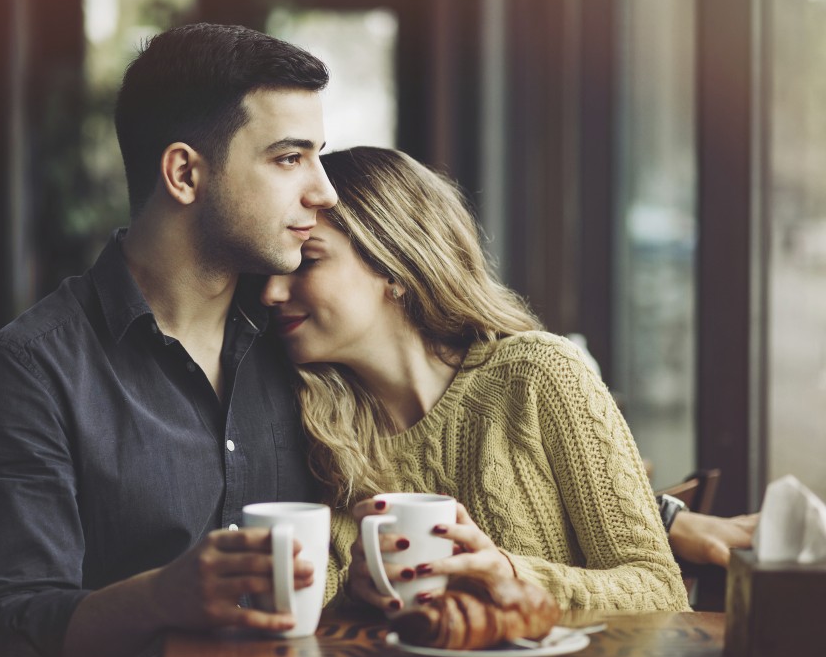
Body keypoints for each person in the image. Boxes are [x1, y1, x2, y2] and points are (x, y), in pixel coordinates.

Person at [0, 23, 338, 657]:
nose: (323, 191)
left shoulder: (303, 334)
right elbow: (4, 636)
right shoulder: (29, 372)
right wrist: (160, 598)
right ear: (184, 173)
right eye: (289, 158)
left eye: (318, 155)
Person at [261, 146, 692, 613]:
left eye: (307, 263)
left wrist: (512, 577)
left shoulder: (540, 375)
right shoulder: (313, 427)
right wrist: (354, 597)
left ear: (394, 265)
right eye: (271, 272)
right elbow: (308, 611)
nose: (272, 291)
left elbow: (660, 590)